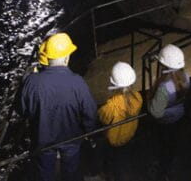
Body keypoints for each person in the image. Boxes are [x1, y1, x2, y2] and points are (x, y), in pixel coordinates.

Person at [19, 33, 97, 181]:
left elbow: (22, 110)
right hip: (71, 136)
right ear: (67, 58)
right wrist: (88, 130)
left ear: (47, 57)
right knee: (72, 170)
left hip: (43, 138)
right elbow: (90, 113)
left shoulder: (31, 82)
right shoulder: (77, 83)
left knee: (44, 171)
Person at [148, 44, 190, 181]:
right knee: (172, 144)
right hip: (179, 116)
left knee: (163, 146)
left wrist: (149, 100)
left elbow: (156, 112)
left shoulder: (164, 87)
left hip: (165, 122)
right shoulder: (186, 77)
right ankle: (169, 164)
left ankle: (162, 172)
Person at [97, 62, 142, 181]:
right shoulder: (138, 97)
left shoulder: (110, 107)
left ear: (113, 84)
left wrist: (110, 98)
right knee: (124, 161)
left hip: (114, 143)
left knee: (115, 164)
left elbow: (102, 118)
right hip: (129, 137)